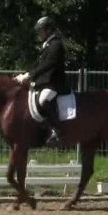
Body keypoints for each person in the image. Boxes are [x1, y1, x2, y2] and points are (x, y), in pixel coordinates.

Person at [14, 16, 69, 146]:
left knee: (44, 100)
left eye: (41, 30)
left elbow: (49, 65)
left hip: (55, 83)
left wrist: (30, 76)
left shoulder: (56, 45)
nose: (39, 34)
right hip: (45, 82)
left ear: (49, 30)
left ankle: (57, 130)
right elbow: (39, 65)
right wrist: (26, 74)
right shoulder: (48, 45)